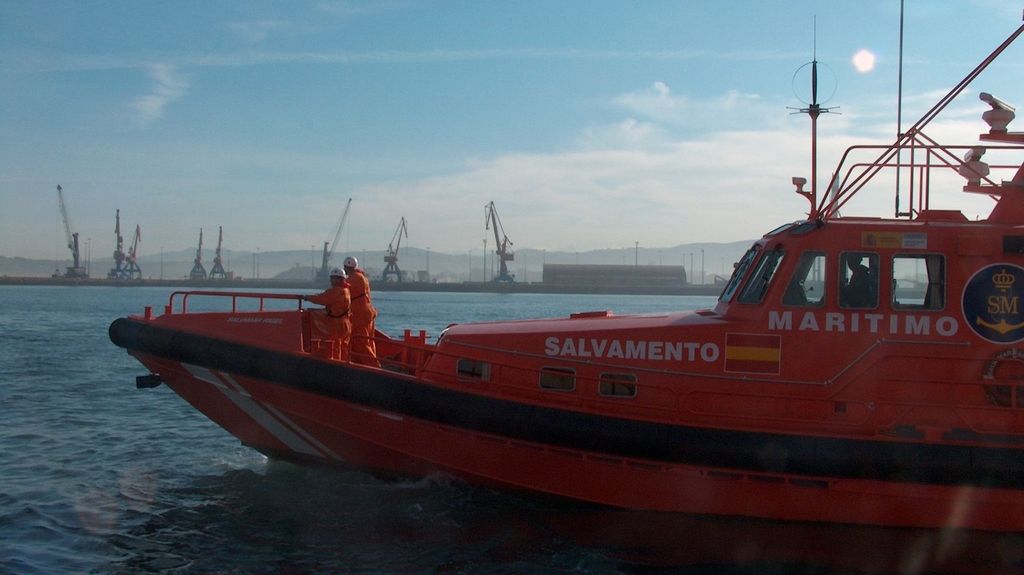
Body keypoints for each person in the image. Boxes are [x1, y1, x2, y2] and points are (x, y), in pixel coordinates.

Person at [303, 267, 351, 361]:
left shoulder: (335, 291)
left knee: (335, 345)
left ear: (340, 279)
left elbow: (322, 299)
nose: (332, 280)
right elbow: (325, 296)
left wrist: (308, 297)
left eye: (334, 278)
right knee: (344, 346)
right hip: (346, 322)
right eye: (332, 278)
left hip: (337, 323)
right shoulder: (346, 290)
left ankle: (337, 365)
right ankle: (344, 364)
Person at [343, 256, 380, 367]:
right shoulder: (362, 277)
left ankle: (374, 367)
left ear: (346, 267)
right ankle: (372, 363)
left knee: (361, 341)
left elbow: (340, 292)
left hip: (360, 315)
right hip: (368, 312)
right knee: (369, 340)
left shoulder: (352, 279)